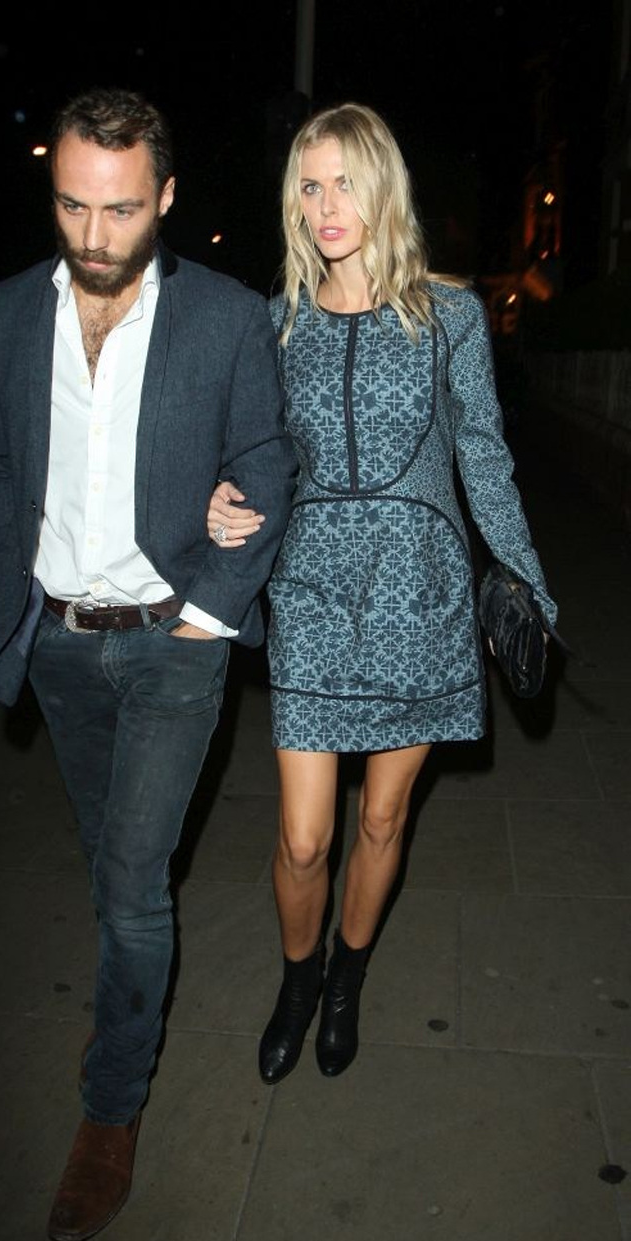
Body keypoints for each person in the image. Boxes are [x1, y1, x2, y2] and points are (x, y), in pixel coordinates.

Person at [0, 87, 295, 1241]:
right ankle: (123, 1002)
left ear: (163, 197)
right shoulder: (5, 313)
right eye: (71, 206)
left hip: (172, 645)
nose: (94, 236)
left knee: (132, 884)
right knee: (111, 863)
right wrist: (15, 584)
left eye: (118, 209)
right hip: (59, 643)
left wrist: (209, 610)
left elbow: (265, 459)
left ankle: (110, 1110)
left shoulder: (225, 317)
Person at [207, 102, 556, 1086]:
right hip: (312, 592)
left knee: (380, 822)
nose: (325, 206)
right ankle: (297, 978)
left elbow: (484, 458)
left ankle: (346, 978)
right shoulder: (274, 323)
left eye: (345, 184)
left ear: (383, 190)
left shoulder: (449, 317)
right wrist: (221, 496)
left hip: (420, 591)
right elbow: (250, 452)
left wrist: (526, 581)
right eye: (309, 186)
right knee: (302, 837)